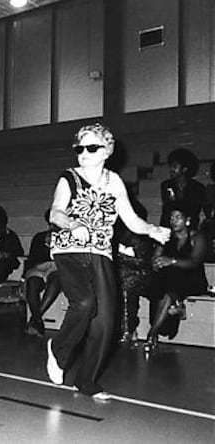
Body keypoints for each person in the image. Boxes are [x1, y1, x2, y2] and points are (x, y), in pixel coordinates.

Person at [46, 123, 170, 400]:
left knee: (105, 322)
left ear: (107, 151)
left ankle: (86, 381)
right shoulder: (69, 178)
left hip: (101, 253)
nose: (84, 153)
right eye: (79, 148)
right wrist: (71, 223)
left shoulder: (113, 181)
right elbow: (55, 213)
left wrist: (152, 230)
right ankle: (58, 350)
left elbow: (132, 220)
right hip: (69, 250)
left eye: (92, 147)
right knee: (85, 303)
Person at [144, 202, 208, 353]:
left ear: (187, 220)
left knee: (171, 279)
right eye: (172, 218)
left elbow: (194, 262)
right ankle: (177, 305)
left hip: (192, 278)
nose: (173, 221)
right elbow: (155, 258)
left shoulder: (197, 237)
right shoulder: (166, 237)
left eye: (178, 217)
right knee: (162, 283)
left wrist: (171, 261)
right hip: (171, 281)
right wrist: (156, 263)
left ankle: (152, 333)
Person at [113, 199, 155, 344]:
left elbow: (142, 263)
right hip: (120, 274)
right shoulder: (116, 234)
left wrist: (119, 256)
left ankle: (127, 329)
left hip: (140, 275)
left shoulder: (142, 237)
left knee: (125, 285)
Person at [23, 209, 61, 338]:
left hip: (58, 268)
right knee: (33, 282)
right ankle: (37, 321)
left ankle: (35, 320)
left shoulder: (69, 238)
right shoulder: (39, 237)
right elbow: (32, 258)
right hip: (40, 267)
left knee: (56, 279)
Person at [159, 148, 205, 230]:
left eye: (175, 166)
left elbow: (194, 210)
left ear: (184, 169)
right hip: (169, 227)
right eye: (171, 166)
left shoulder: (197, 187)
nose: (171, 169)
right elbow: (168, 208)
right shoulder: (166, 185)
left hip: (189, 227)